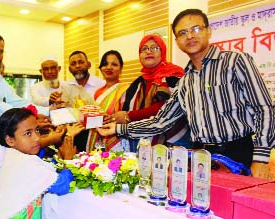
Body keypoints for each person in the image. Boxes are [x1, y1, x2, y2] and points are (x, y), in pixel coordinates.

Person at [97, 9, 275, 178]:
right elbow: (160, 122)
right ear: (176, 41)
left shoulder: (235, 62)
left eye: (196, 29)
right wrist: (118, 128)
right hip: (201, 158)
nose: (189, 36)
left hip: (238, 154)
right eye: (182, 33)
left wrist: (260, 158)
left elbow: (264, 108)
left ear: (208, 31)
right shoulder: (185, 82)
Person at [0, 108, 73, 219]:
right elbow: (63, 185)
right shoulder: (25, 162)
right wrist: (68, 161)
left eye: (37, 130)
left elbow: (41, 165)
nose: (37, 138)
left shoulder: (7, 153)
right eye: (28, 133)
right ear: (10, 140)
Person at [114, 34, 187, 151]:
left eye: (155, 48)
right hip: (140, 140)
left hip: (172, 142)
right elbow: (125, 108)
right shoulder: (138, 82)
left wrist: (129, 116)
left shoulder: (174, 74)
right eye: (144, 49)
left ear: (162, 51)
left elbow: (166, 107)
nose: (149, 52)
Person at [87, 50, 130, 152]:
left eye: (114, 64)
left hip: (117, 139)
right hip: (97, 138)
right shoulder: (98, 92)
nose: (109, 67)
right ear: (101, 68)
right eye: (105, 64)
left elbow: (126, 116)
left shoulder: (126, 89)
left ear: (121, 69)